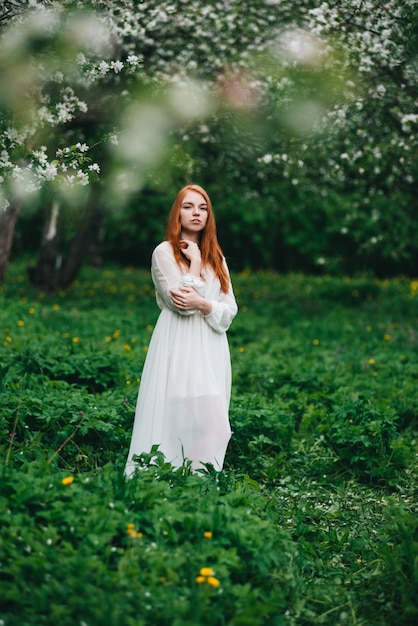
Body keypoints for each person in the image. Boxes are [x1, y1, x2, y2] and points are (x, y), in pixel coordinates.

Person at [125, 184, 238, 476]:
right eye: (188, 206)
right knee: (180, 418)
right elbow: (181, 304)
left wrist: (204, 304)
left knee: (215, 425)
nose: (196, 213)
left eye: (203, 208)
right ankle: (170, 480)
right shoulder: (164, 253)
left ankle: (198, 482)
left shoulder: (218, 257)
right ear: (177, 212)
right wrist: (196, 265)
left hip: (210, 346)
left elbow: (229, 309)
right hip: (179, 342)